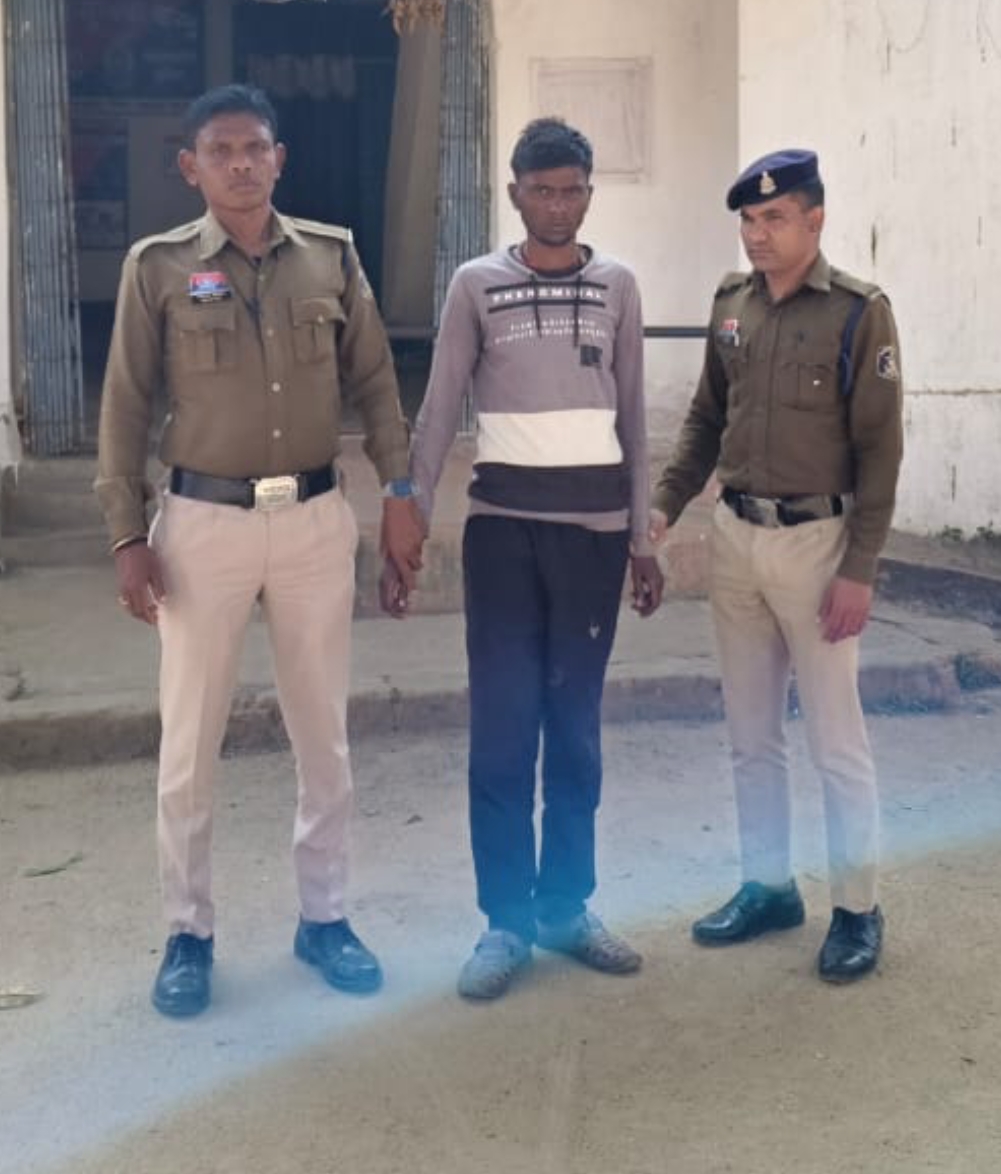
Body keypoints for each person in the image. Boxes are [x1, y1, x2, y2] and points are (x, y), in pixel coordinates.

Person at [94, 84, 424, 1017]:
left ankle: (325, 917)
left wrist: (400, 495)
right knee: (189, 740)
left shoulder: (331, 255)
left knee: (322, 732)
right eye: (220, 150)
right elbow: (125, 405)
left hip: (314, 521)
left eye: (255, 148)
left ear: (280, 158)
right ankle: (187, 933)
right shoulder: (157, 267)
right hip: (202, 527)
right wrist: (126, 534)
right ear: (189, 166)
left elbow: (375, 383)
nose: (240, 164)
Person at [390, 117, 664, 1000]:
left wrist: (641, 538)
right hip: (503, 536)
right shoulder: (476, 285)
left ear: (588, 193)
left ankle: (565, 907)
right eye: (540, 190)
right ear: (513, 193)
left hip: (592, 542)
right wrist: (408, 517)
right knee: (504, 730)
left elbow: (634, 419)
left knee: (574, 731)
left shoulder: (618, 286)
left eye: (571, 190)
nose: (556, 204)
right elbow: (438, 409)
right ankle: (505, 921)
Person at [651, 149, 904, 983]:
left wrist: (859, 568)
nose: (757, 235)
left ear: (814, 220)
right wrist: (665, 503)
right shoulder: (731, 304)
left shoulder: (857, 314)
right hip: (735, 538)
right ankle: (767, 888)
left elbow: (879, 451)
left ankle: (857, 908)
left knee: (835, 740)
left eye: (775, 218)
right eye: (748, 221)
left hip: (816, 545)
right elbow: (704, 418)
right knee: (750, 735)